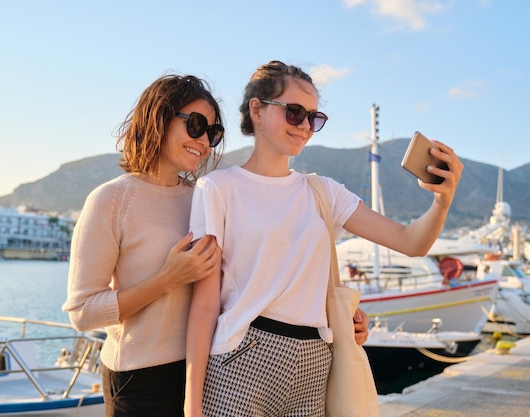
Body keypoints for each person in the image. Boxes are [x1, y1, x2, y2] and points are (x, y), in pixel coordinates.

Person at [184, 60, 463, 417]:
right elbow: (204, 304)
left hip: (315, 361)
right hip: (244, 356)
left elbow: (411, 242)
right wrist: (192, 406)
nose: (304, 126)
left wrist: (443, 200)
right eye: (295, 112)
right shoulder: (219, 189)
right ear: (257, 109)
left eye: (313, 118)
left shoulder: (323, 191)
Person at [62, 74, 225, 417]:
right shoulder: (111, 200)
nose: (205, 141)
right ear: (159, 118)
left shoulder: (206, 199)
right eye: (196, 125)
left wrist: (340, 316)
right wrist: (166, 279)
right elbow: (82, 312)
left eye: (213, 132)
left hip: (206, 375)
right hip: (138, 382)